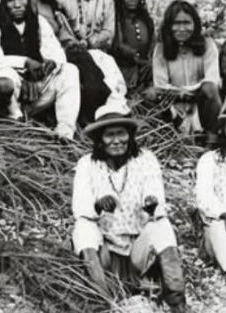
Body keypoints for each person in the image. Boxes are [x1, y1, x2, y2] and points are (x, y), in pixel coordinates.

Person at [71, 100, 186, 313]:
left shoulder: (146, 160)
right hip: (106, 253)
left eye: (121, 134)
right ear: (99, 140)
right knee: (83, 228)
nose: (117, 141)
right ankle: (101, 302)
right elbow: (80, 207)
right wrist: (97, 205)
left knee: (162, 226)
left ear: (130, 136)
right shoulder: (87, 164)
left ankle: (177, 302)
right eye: (109, 135)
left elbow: (156, 197)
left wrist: (150, 204)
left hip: (137, 253)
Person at [23, 0, 118, 125]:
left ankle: (98, 115)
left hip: (77, 48)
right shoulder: (57, 0)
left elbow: (106, 32)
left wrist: (80, 43)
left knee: (99, 77)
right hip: (46, 50)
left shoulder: (50, 1)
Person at [0, 0, 80, 140]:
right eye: (11, 0)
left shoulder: (38, 21)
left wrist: (48, 64)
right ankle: (15, 122)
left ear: (28, 0)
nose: (17, 5)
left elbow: (57, 53)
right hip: (13, 93)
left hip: (38, 88)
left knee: (69, 70)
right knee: (6, 75)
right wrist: (24, 63)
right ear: (4, 3)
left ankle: (64, 133)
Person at [149, 0, 222, 143]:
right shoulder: (161, 48)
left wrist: (188, 91)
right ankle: (166, 138)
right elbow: (160, 83)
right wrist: (179, 92)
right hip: (173, 101)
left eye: (187, 23)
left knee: (210, 89)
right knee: (152, 94)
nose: (181, 28)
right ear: (169, 26)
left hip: (201, 100)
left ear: (195, 24)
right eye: (176, 23)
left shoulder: (208, 45)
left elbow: (212, 78)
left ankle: (212, 141)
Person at [196, 104, 226, 294]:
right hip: (221, 229)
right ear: (223, 131)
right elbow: (203, 197)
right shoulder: (209, 160)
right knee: (217, 225)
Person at [112, 0, 154, 95]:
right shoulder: (116, 20)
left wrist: (149, 59)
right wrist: (134, 56)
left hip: (146, 67)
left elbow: (152, 41)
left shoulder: (146, 19)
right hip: (124, 68)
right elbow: (118, 45)